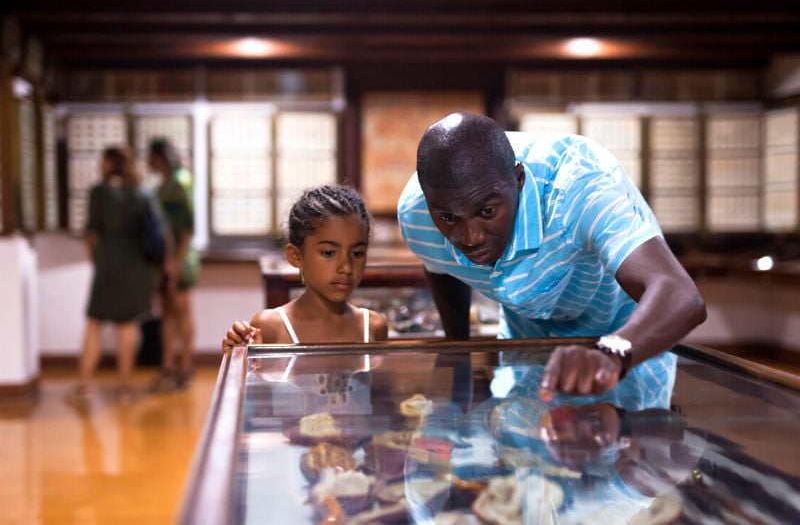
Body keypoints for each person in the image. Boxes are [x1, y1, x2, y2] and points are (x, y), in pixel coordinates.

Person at [397, 112, 706, 400]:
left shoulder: (579, 188)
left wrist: (611, 352)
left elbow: (680, 295)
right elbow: (440, 265)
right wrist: (457, 353)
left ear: (518, 180)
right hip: (527, 339)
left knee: (619, 449)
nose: (470, 236)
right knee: (520, 442)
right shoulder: (417, 214)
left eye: (487, 211)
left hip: (625, 335)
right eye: (449, 218)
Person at [222, 184, 388, 350]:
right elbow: (254, 374)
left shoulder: (373, 327)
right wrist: (238, 356)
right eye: (329, 253)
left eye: (357, 253)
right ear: (296, 256)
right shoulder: (271, 326)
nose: (346, 268)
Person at [75, 147, 154, 401]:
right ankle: (124, 387)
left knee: (95, 322)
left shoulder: (99, 192)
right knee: (127, 325)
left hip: (108, 260)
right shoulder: (139, 193)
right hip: (136, 262)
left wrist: (97, 260)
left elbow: (92, 233)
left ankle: (85, 384)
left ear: (110, 163)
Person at [148, 138, 200, 391]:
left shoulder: (180, 183)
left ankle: (186, 364)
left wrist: (176, 261)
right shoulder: (165, 184)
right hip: (164, 258)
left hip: (180, 259)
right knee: (166, 312)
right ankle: (167, 365)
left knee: (182, 311)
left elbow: (188, 228)